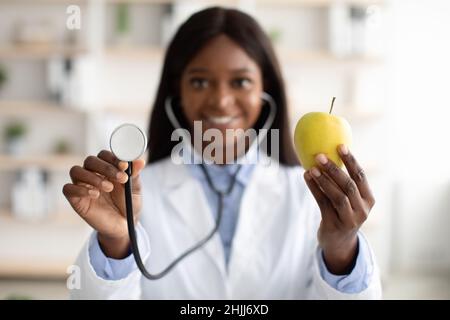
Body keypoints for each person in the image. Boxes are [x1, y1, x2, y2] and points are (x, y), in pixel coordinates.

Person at [63, 7, 381, 299]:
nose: (221, 101)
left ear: (264, 90)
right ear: (178, 91)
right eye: (200, 82)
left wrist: (341, 248)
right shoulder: (132, 195)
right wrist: (116, 242)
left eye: (240, 81)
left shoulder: (311, 195)